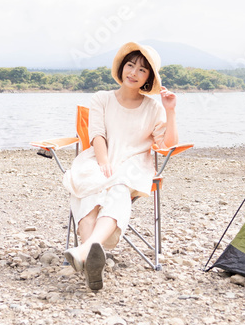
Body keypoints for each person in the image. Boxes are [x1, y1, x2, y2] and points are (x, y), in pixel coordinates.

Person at [62, 42, 178, 290]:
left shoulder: (154, 107)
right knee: (87, 188)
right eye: (130, 65)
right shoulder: (101, 99)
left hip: (133, 164)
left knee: (118, 188)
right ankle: (92, 255)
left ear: (148, 79)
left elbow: (167, 143)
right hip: (100, 157)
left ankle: (84, 250)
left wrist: (170, 111)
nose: (133, 73)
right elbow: (97, 135)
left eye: (142, 70)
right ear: (122, 68)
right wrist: (104, 162)